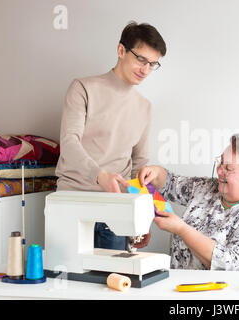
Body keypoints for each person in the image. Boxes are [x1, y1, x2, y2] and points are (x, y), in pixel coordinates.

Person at [55, 21, 166, 250]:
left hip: (116, 209)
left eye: (153, 64)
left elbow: (139, 166)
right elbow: (69, 143)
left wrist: (144, 217)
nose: (145, 69)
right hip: (73, 201)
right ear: (121, 50)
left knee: (113, 281)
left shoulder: (144, 107)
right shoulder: (82, 88)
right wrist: (99, 175)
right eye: (141, 59)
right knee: (68, 277)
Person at [138, 134, 239, 271]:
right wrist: (155, 172)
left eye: (228, 169)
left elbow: (234, 265)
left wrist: (182, 229)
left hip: (221, 292)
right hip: (177, 288)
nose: (220, 171)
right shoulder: (206, 187)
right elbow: (169, 183)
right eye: (220, 163)